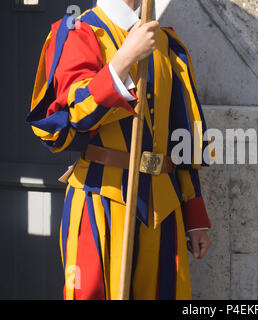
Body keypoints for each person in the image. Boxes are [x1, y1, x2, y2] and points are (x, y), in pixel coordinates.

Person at [26, 0, 212, 300]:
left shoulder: (167, 43)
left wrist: (195, 215)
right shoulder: (77, 31)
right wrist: (123, 60)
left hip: (163, 205)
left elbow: (183, 137)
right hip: (101, 196)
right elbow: (73, 117)